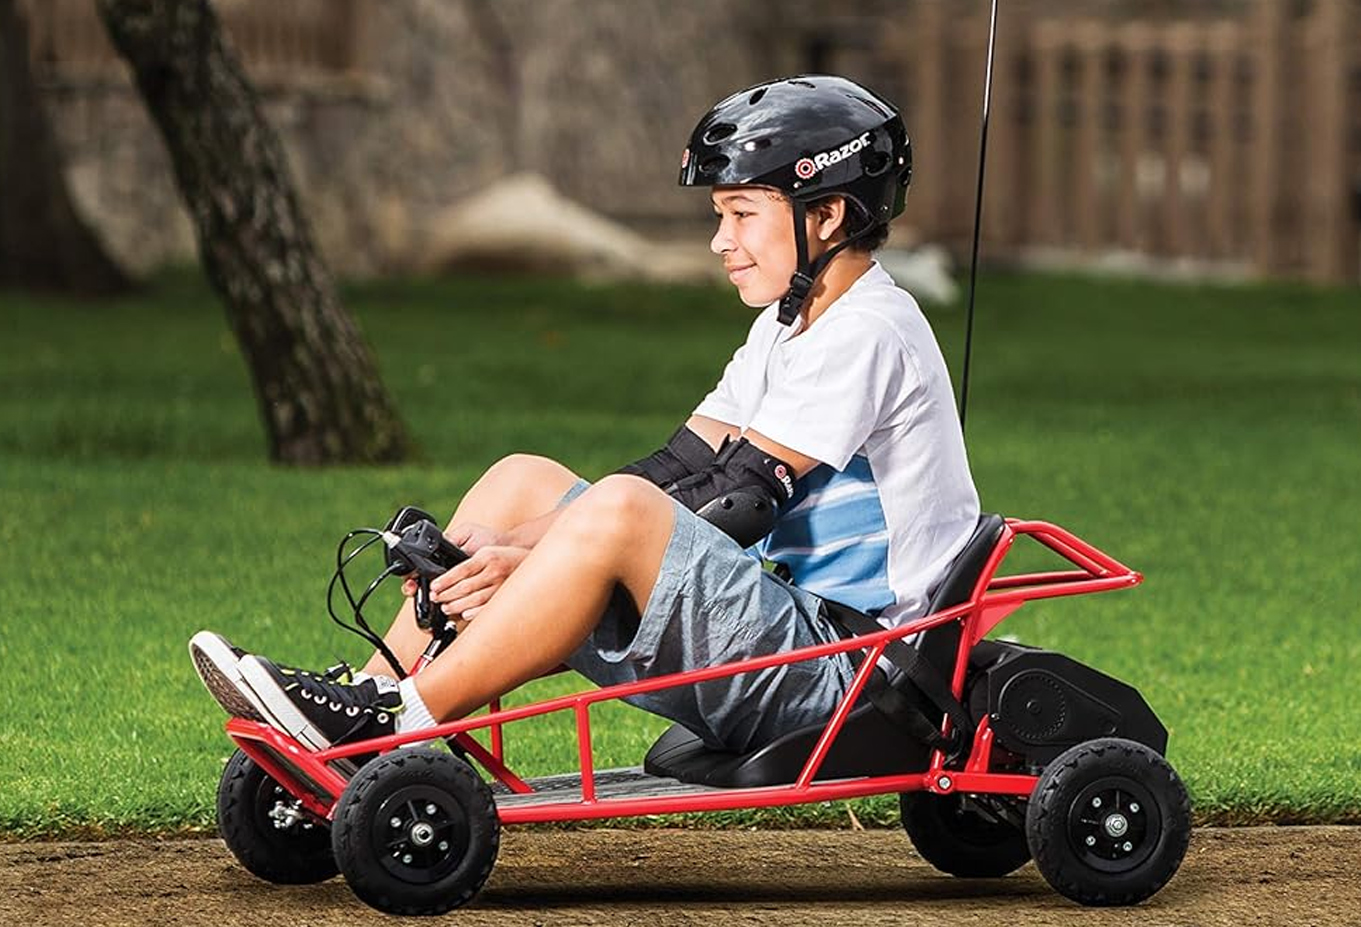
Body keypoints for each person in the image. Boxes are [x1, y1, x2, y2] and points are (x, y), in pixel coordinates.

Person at [189, 74, 980, 759]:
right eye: (720, 216)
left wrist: (535, 561)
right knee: (521, 482)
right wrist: (516, 540)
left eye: (741, 214)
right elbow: (683, 466)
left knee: (620, 511)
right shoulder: (788, 323)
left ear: (829, 216)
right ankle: (366, 694)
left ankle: (399, 722)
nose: (719, 242)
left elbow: (740, 498)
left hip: (856, 673)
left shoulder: (870, 331)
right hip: (789, 634)